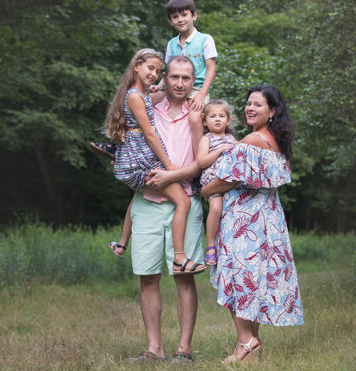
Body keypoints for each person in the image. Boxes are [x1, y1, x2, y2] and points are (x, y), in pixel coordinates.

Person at [201, 85, 304, 364]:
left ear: (272, 112)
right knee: (254, 280)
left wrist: (207, 190)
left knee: (237, 279)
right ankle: (249, 348)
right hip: (268, 217)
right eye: (248, 103)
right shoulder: (276, 141)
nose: (249, 108)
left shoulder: (251, 141)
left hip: (244, 220)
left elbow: (229, 178)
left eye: (257, 105)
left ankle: (246, 341)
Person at [123, 55, 206, 363]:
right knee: (147, 276)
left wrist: (171, 174)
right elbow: (131, 143)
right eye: (175, 77)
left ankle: (184, 349)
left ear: (192, 80)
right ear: (165, 78)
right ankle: (153, 348)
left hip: (183, 203)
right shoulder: (148, 108)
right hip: (146, 201)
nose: (180, 84)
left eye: (187, 78)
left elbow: (201, 163)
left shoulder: (197, 114)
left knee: (183, 277)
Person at [103, 48, 205, 275]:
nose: (153, 74)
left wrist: (197, 95)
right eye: (151, 68)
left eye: (157, 71)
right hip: (146, 169)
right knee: (182, 204)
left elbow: (202, 161)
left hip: (148, 167)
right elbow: (149, 133)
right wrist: (168, 166)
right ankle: (180, 258)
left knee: (184, 202)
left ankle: (123, 243)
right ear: (136, 65)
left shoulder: (144, 97)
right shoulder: (136, 96)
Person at [150, 0, 218, 154]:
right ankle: (123, 145)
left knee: (194, 118)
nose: (180, 19)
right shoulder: (171, 43)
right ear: (171, 21)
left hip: (196, 88)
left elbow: (211, 69)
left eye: (184, 15)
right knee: (143, 102)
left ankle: (199, 159)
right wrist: (159, 86)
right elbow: (167, 71)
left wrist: (201, 95)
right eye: (175, 16)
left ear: (194, 15)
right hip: (173, 88)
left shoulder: (205, 39)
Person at [196, 100, 236, 265]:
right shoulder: (207, 139)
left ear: (228, 120)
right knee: (216, 208)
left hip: (230, 181)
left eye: (221, 116)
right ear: (205, 121)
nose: (217, 119)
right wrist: (220, 150)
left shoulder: (231, 138)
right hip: (213, 180)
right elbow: (201, 162)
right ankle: (211, 246)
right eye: (212, 116)